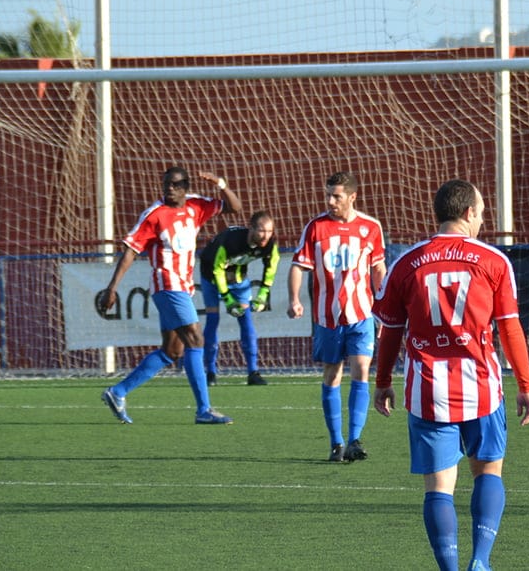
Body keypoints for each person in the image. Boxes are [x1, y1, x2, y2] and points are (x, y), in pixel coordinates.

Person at [371, 179, 529, 571]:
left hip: (427, 389)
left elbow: (390, 330)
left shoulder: (405, 263)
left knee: (439, 488)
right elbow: (510, 328)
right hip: (481, 386)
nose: (482, 219)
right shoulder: (494, 261)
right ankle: (480, 561)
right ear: (468, 213)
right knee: (488, 471)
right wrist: (526, 385)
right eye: (480, 211)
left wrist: (382, 383)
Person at [100, 166, 243, 425]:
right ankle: (204, 410)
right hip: (167, 284)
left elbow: (234, 207)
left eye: (176, 185)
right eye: (166, 184)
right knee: (195, 337)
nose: (170, 189)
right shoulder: (154, 215)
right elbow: (131, 251)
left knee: (172, 351)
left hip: (183, 286)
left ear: (185, 187)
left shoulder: (196, 206)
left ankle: (118, 392)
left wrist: (221, 183)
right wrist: (112, 288)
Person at [286, 171, 386, 462]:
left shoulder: (370, 227)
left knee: (361, 371)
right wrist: (294, 299)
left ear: (352, 197)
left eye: (337, 196)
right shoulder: (315, 227)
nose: (330, 201)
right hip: (327, 318)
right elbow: (297, 265)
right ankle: (336, 443)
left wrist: (382, 305)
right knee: (332, 374)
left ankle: (355, 439)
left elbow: (378, 268)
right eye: (328, 194)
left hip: (361, 314)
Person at [197, 210, 280, 386]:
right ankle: (210, 373)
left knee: (246, 319)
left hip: (238, 279)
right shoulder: (231, 242)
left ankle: (253, 372)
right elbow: (217, 270)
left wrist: (263, 294)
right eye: (261, 231)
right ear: (251, 229)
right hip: (211, 278)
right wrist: (227, 299)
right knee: (213, 320)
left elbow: (272, 265)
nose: (266, 236)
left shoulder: (268, 244)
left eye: (269, 231)